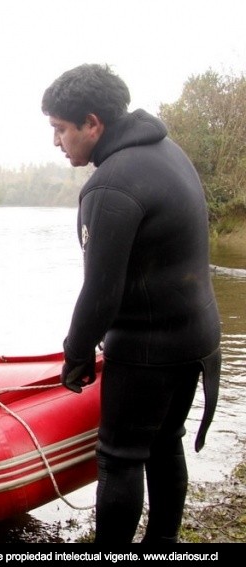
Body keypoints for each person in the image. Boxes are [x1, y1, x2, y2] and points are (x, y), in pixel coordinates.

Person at [41, 64, 222, 544]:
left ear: (93, 124)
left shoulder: (110, 184)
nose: (57, 142)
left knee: (120, 457)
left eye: (61, 129)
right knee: (165, 443)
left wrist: (75, 354)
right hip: (198, 337)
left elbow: (100, 294)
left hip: (148, 350)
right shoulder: (168, 152)